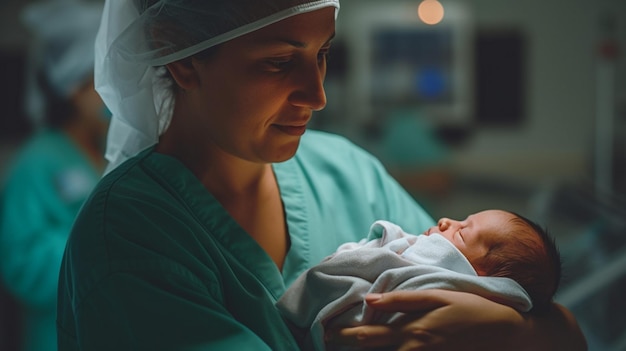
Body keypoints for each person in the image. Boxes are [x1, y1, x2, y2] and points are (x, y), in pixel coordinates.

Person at [56, 1, 587, 350]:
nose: (317, 95)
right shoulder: (130, 239)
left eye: (323, 54)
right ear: (183, 60)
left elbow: (562, 330)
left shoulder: (345, 171)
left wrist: (513, 330)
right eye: (277, 62)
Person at [277, 209, 561, 350]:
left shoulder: (449, 284)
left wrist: (516, 329)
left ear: (485, 282)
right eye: (462, 221)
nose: (446, 222)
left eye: (461, 233)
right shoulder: (412, 253)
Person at [0, 2, 107, 351]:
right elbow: (21, 262)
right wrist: (101, 250)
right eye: (104, 82)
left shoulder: (112, 155)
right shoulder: (38, 161)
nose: (116, 98)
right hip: (56, 335)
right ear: (74, 88)